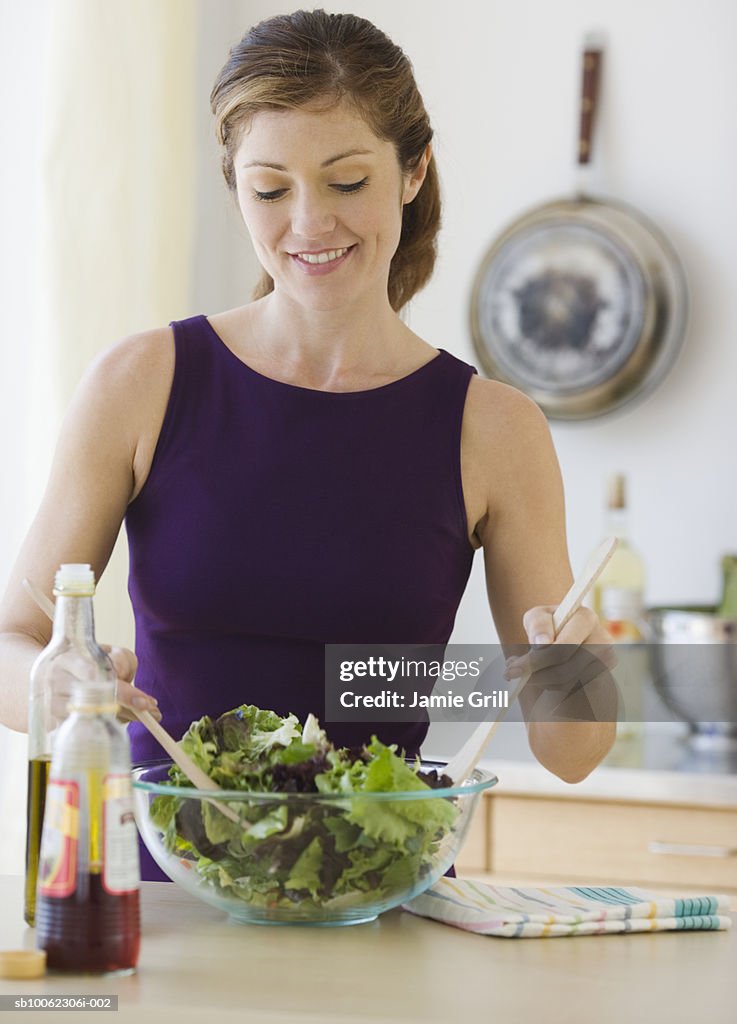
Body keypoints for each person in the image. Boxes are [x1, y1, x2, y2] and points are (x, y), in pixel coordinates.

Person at [0, 10, 616, 877]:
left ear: (412, 171)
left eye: (346, 181)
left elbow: (573, 750)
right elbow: (13, 638)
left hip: (372, 895)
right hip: (156, 896)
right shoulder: (142, 382)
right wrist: (51, 684)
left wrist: (578, 669)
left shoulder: (494, 427)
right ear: (236, 189)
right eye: (270, 189)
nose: (309, 223)